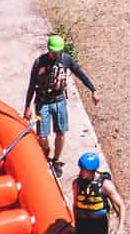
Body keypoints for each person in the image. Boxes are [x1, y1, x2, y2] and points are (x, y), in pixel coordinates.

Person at [24, 35, 99, 174]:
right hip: (42, 101)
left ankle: (56, 160)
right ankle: (46, 154)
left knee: (60, 132)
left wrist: (93, 90)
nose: (55, 55)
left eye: (57, 52)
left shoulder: (66, 59)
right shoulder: (39, 62)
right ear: (48, 49)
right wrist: (27, 106)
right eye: (53, 52)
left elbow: (80, 74)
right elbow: (31, 85)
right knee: (42, 136)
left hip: (59, 100)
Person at [72, 152, 124, 234]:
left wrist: (120, 227)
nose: (81, 172)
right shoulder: (77, 184)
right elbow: (75, 204)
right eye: (81, 169)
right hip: (83, 226)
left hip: (99, 226)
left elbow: (121, 205)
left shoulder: (106, 185)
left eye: (83, 170)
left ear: (91, 171)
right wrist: (74, 223)